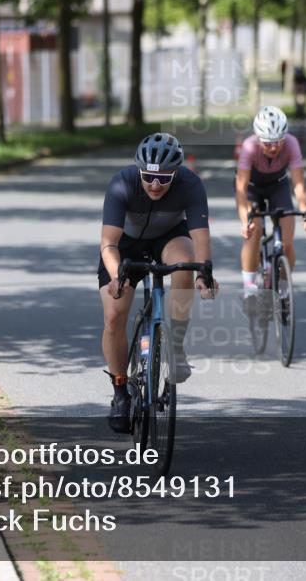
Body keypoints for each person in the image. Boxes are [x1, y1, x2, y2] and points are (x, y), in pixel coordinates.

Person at [98, 133, 217, 433]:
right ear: (139, 170)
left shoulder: (191, 185)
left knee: (184, 266)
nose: (154, 184)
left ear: (175, 173)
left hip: (169, 237)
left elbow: (201, 237)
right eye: (149, 176)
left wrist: (205, 274)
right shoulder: (122, 183)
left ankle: (175, 346)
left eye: (164, 179)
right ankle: (120, 391)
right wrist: (117, 277)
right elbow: (108, 243)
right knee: (114, 315)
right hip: (125, 245)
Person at [235, 106, 306, 300]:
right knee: (254, 229)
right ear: (258, 138)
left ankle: (282, 281)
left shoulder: (291, 144)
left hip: (277, 186)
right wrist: (245, 221)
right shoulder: (249, 147)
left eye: (278, 141)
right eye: (268, 143)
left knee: (288, 239)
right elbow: (241, 188)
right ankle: (249, 286)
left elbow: (299, 186)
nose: (274, 147)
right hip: (252, 188)